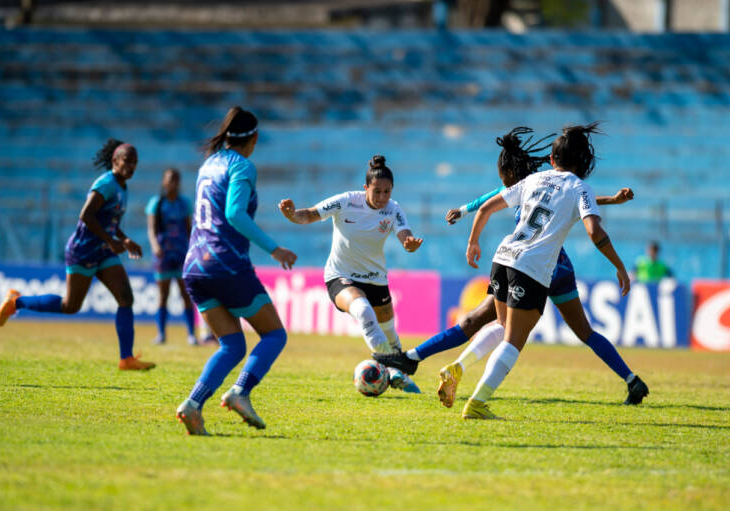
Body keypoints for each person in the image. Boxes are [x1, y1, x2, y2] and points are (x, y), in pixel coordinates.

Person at [376, 124, 646, 418]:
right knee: (548, 335)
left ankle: (436, 363)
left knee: (489, 324)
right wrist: (619, 264)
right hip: (543, 266)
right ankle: (471, 396)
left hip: (510, 258)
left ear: (551, 160)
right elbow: (585, 215)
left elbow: (486, 205)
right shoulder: (574, 187)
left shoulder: (531, 182)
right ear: (581, 162)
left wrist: (472, 239)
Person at [175, 106, 298, 435]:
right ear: (254, 138)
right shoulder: (242, 166)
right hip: (225, 264)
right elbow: (234, 213)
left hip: (194, 266)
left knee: (231, 344)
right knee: (274, 335)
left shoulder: (208, 165)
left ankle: (193, 404)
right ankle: (241, 392)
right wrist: (275, 248)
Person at [0, 139, 155, 371]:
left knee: (125, 298)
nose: (132, 166)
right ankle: (16, 302)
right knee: (70, 306)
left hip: (103, 252)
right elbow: (86, 216)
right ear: (115, 161)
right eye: (127, 161)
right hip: (83, 251)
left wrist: (124, 239)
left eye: (135, 162)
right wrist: (112, 241)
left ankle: (126, 359)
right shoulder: (106, 184)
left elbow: (108, 219)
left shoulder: (122, 186)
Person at [278, 155, 424, 393]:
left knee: (389, 331)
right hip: (341, 275)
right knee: (363, 310)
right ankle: (392, 367)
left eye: (387, 192)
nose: (382, 198)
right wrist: (292, 214)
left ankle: (398, 371)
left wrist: (409, 244)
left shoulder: (393, 209)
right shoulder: (346, 201)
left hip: (376, 278)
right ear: (365, 188)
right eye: (377, 191)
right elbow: (311, 214)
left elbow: (404, 233)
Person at [145, 168, 197, 346]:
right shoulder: (156, 203)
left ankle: (191, 334)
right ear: (163, 182)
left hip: (181, 253)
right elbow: (151, 229)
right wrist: (155, 246)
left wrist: (193, 248)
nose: (172, 183)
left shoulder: (184, 204)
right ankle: (161, 334)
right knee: (163, 294)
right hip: (163, 254)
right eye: (169, 179)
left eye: (175, 179)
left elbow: (189, 228)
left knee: (186, 293)